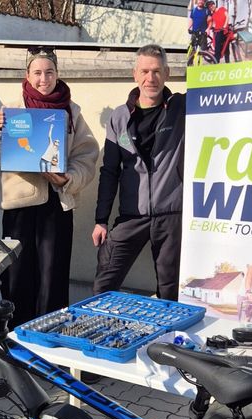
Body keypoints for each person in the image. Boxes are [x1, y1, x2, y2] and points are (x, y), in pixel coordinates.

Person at [0, 46, 99, 326]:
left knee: (53, 276)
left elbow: (87, 156)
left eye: (49, 72)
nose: (43, 78)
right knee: (17, 275)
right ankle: (15, 335)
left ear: (57, 75)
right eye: (37, 72)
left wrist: (68, 178)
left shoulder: (72, 111)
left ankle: (49, 335)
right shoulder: (11, 110)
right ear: (27, 75)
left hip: (57, 204)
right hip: (19, 206)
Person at [92, 44, 186, 301]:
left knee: (170, 292)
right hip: (131, 216)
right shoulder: (119, 117)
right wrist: (101, 219)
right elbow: (110, 171)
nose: (150, 78)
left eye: (156, 71)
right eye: (144, 71)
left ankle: (168, 341)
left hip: (171, 215)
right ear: (135, 74)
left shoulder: (180, 108)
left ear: (167, 73)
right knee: (103, 285)